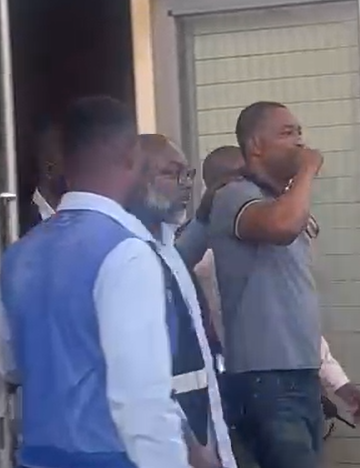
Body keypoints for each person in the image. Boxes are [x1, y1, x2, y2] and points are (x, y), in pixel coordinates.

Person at [0, 96, 189, 467]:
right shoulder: (127, 252)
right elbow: (142, 398)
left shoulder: (19, 254)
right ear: (132, 156)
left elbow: (7, 363)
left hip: (37, 456)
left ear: (66, 162)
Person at [178, 145, 360, 414]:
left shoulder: (250, 234)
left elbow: (293, 317)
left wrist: (337, 381)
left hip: (270, 374)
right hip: (252, 381)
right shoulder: (221, 248)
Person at [203, 101, 327, 468]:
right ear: (255, 146)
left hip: (299, 375)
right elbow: (282, 226)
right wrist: (308, 169)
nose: (300, 142)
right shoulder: (235, 196)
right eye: (287, 133)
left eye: (300, 133)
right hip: (266, 380)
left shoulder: (276, 199)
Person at [130, 133, 236, 468]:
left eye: (188, 174)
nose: (185, 184)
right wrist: (192, 446)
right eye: (172, 173)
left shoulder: (170, 251)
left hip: (200, 422)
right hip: (167, 441)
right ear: (135, 178)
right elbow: (141, 369)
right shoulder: (129, 256)